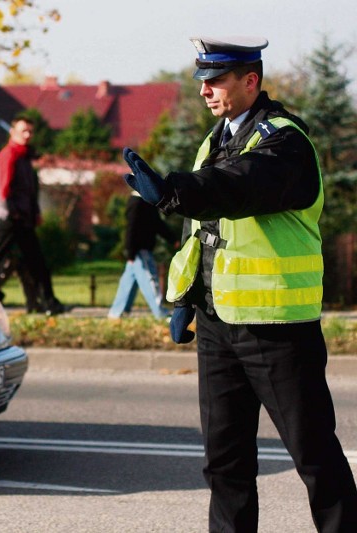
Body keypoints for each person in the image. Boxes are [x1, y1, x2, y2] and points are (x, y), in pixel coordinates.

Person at [122, 36, 357, 532]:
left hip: (276, 329)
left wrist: (173, 190)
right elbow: (203, 232)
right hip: (218, 325)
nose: (205, 90)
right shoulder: (217, 138)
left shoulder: (284, 140)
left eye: (216, 80)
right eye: (201, 81)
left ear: (251, 81)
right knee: (225, 464)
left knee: (315, 460)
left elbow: (239, 187)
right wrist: (187, 297)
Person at [0, 115, 65, 315]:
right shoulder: (9, 155)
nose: (27, 135)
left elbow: (29, 191)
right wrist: (14, 213)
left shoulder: (24, 157)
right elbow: (3, 189)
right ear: (13, 132)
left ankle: (49, 302)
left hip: (22, 219)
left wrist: (34, 213)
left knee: (37, 262)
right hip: (9, 219)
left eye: (30, 131)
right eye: (23, 131)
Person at [108, 191, 178, 320]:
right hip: (140, 250)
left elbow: (157, 224)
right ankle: (160, 313)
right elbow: (131, 228)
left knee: (128, 282)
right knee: (150, 279)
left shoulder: (146, 203)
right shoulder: (136, 203)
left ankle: (117, 312)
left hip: (138, 251)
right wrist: (130, 252)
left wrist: (172, 239)